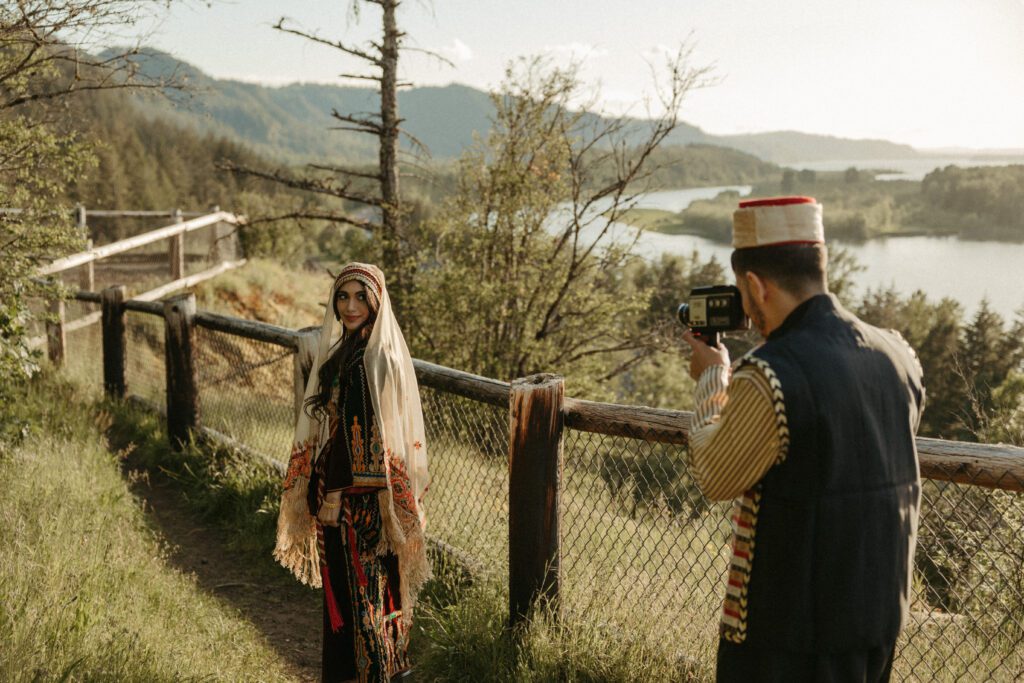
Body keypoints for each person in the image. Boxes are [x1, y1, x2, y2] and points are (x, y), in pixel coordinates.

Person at [681, 197, 925, 682]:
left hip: (788, 641)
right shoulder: (897, 354)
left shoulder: (769, 374)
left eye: (742, 292)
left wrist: (713, 379)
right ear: (820, 265)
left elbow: (713, 474)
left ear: (754, 284)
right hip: (877, 623)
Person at [274, 262, 430, 683]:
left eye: (361, 296)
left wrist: (334, 494)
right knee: (367, 597)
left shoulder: (370, 358)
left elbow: (368, 435)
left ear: (378, 299)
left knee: (363, 599)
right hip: (362, 500)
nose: (351, 305)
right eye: (343, 296)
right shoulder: (357, 350)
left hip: (355, 504)